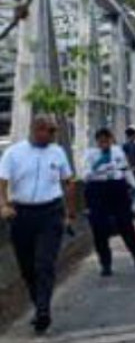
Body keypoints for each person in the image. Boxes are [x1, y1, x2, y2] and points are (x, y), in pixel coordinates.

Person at [0, 115, 77, 334]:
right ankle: (39, 304)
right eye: (50, 131)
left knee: (45, 263)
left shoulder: (58, 152)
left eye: (54, 131)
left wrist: (70, 213)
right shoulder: (14, 153)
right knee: (27, 268)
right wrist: (3, 205)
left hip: (50, 212)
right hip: (21, 213)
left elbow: (69, 182)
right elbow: (2, 182)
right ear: (36, 130)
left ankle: (43, 310)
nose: (53, 135)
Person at [83, 128, 135, 276]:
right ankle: (106, 264)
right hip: (98, 190)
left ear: (111, 140)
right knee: (99, 229)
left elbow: (126, 170)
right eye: (101, 141)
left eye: (107, 140)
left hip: (117, 188)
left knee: (126, 225)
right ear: (97, 141)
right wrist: (98, 165)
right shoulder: (90, 154)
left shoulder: (117, 151)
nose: (104, 144)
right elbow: (85, 175)